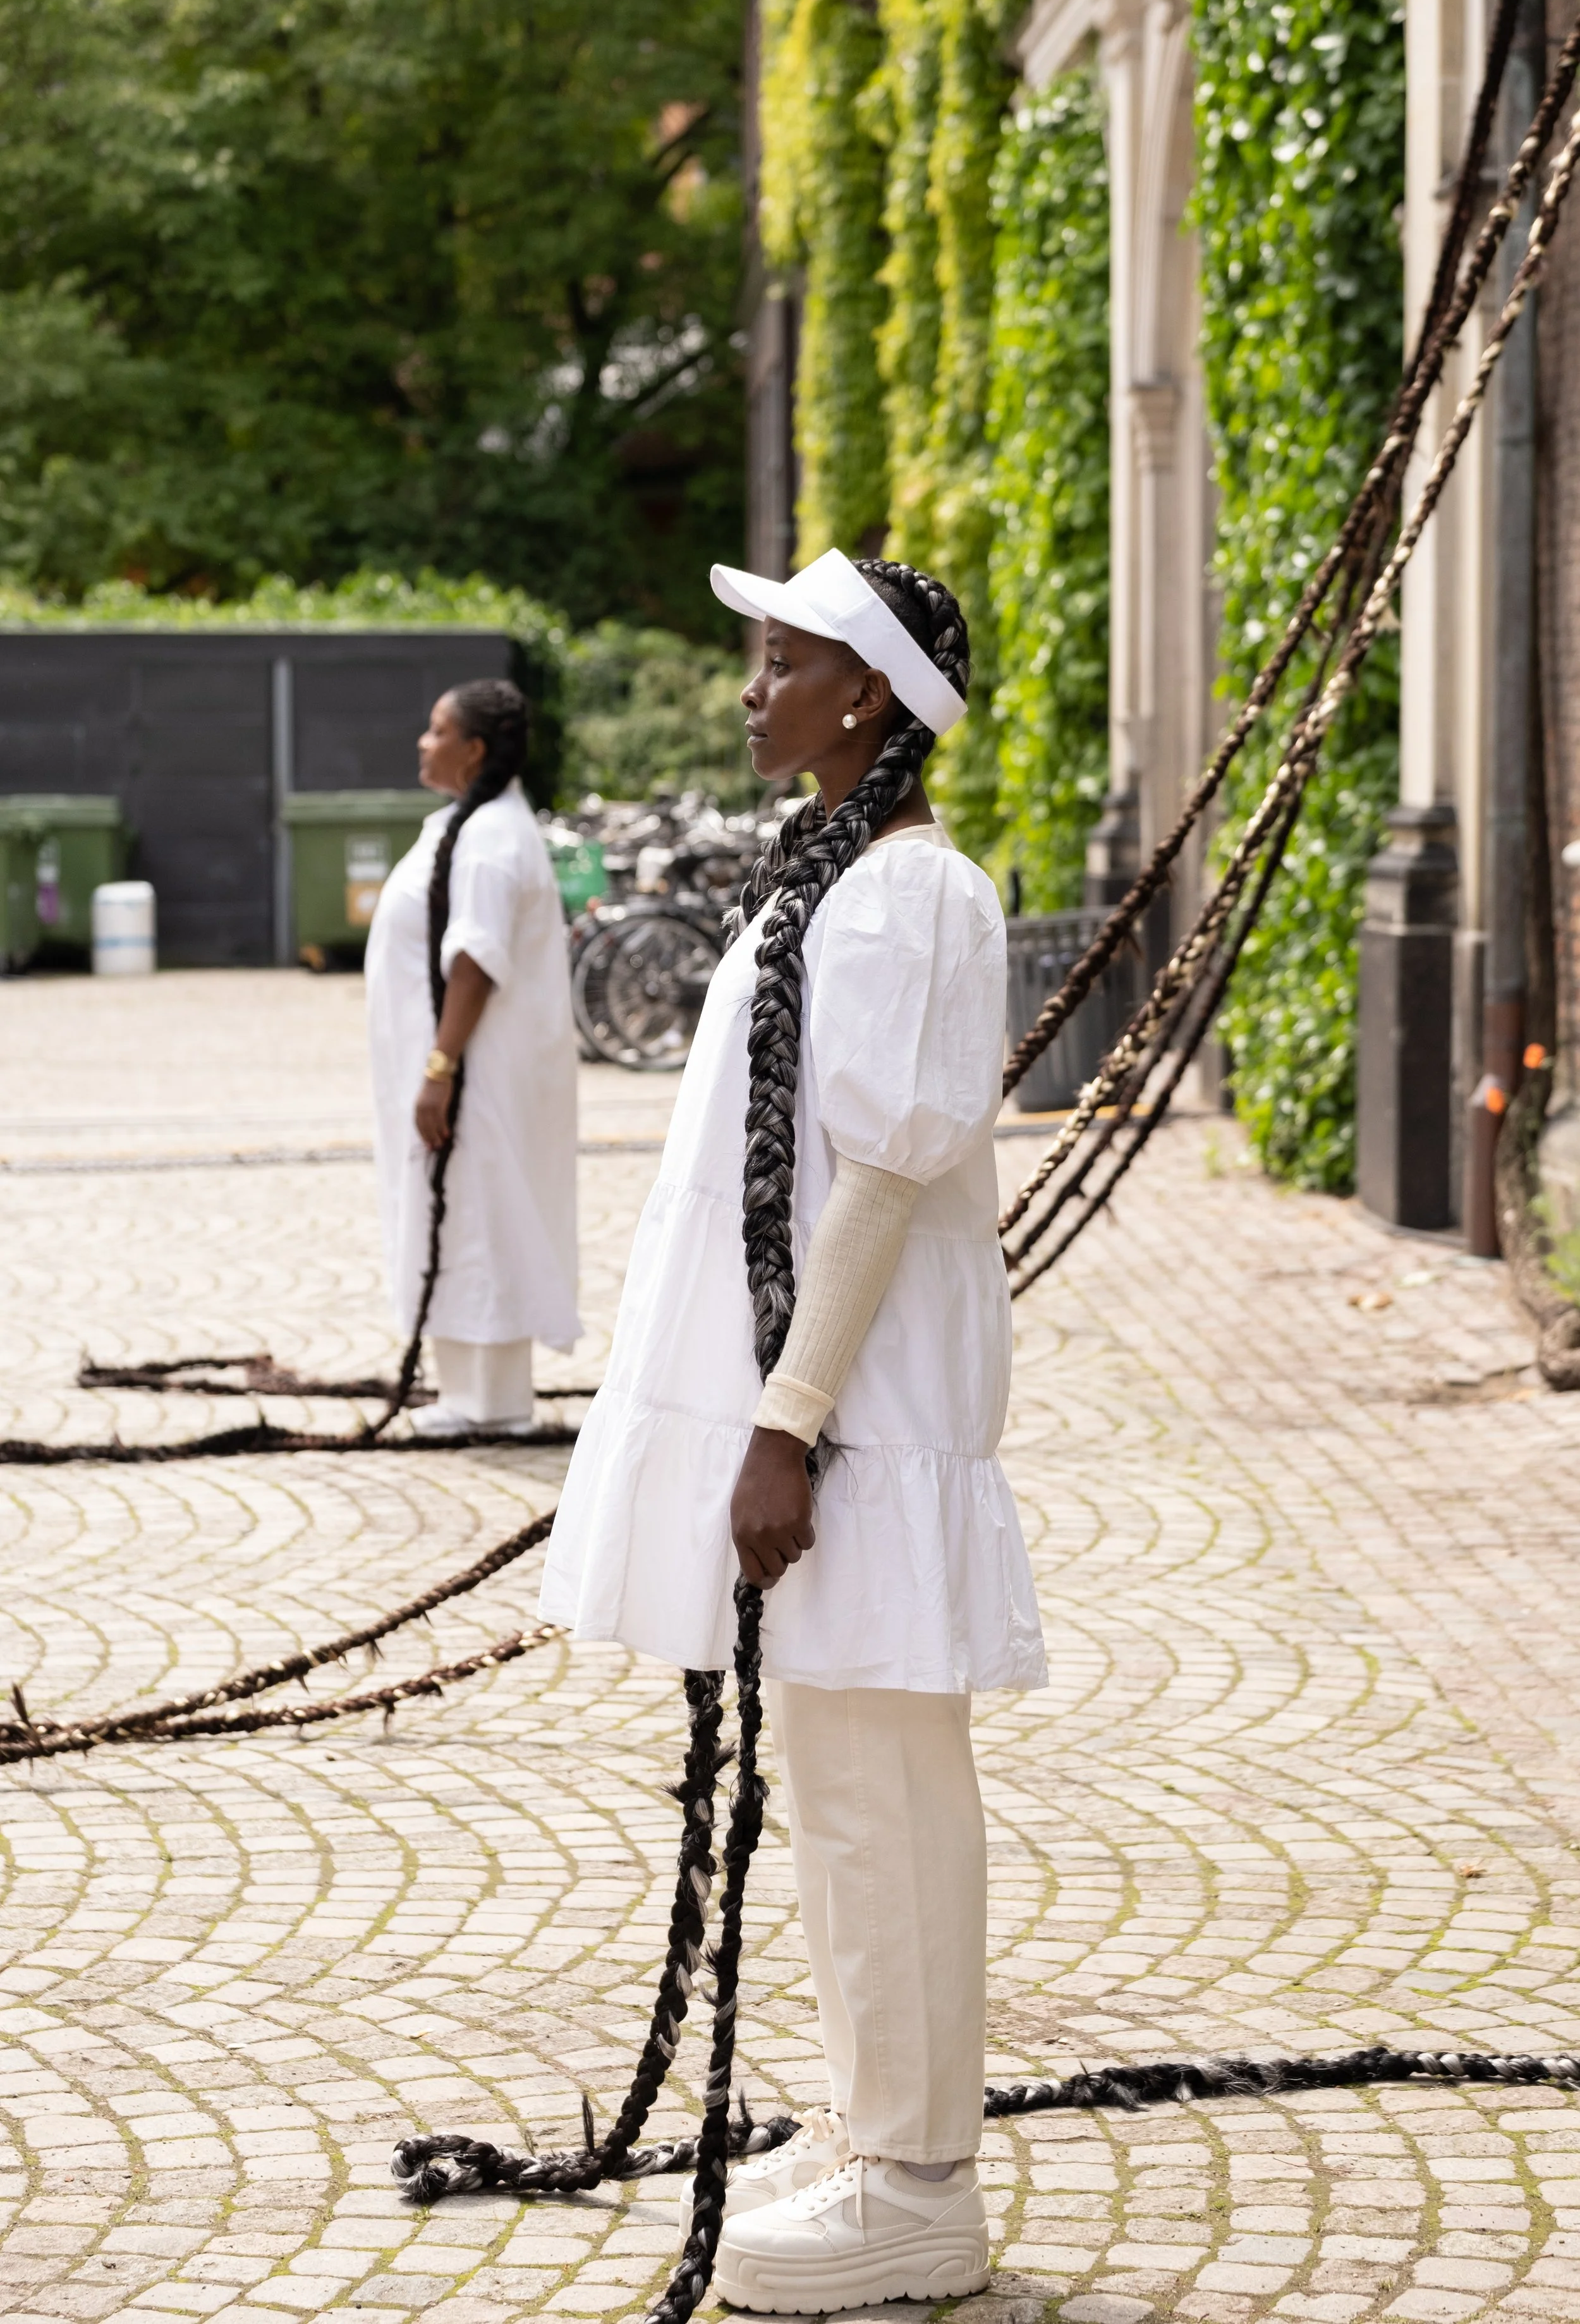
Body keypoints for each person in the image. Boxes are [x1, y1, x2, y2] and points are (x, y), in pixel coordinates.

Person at [540, 550, 1045, 2311]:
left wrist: (790, 1420)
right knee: (837, 1792)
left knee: (882, 1797)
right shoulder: (824, 873)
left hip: (863, 1422)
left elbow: (884, 1178)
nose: (751, 686)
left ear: (872, 697)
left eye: (781, 661)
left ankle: (916, 2179)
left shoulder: (905, 896)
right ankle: (874, 2128)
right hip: (830, 1421)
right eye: (755, 657)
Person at [365, 678, 580, 1435]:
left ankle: (489, 1404)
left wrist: (439, 1069)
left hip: (475, 1072)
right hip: (465, 1068)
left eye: (436, 729)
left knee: (481, 1217)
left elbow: (476, 960)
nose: (422, 743)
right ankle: (466, 1393)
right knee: (461, 1216)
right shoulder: (474, 823)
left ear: (475, 749)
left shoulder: (490, 839)